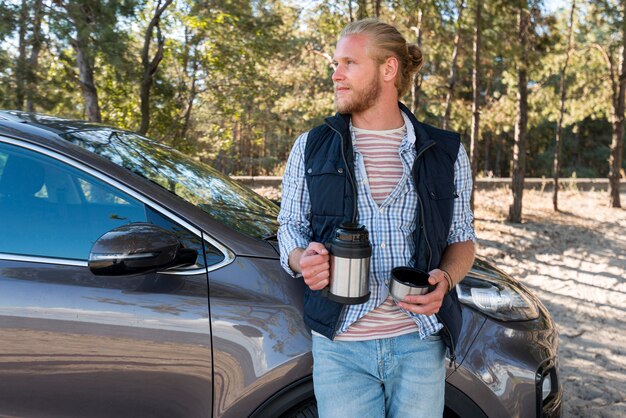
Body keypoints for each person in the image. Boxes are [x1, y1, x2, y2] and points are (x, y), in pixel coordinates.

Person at [278, 18, 476, 417]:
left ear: (388, 69)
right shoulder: (311, 147)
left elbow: (462, 236)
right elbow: (290, 227)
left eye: (349, 63)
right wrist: (303, 260)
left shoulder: (446, 151)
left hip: (419, 343)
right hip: (341, 348)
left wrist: (447, 278)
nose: (336, 75)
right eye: (335, 64)